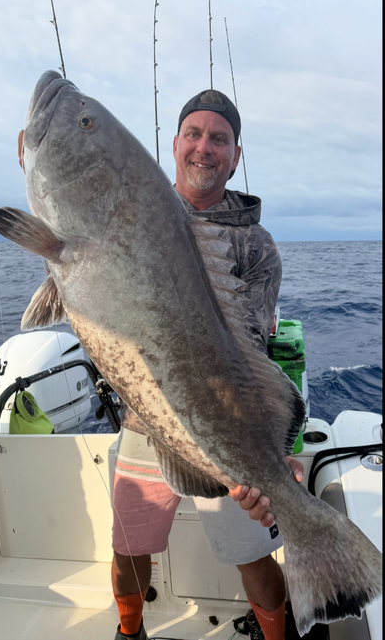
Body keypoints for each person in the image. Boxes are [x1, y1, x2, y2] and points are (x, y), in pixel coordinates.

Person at [106, 89, 303, 640]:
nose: (204, 147)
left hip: (227, 427)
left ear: (236, 155)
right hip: (143, 420)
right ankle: (129, 631)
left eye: (219, 138)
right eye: (193, 134)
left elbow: (252, 353)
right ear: (174, 145)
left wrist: (273, 451)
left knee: (254, 559)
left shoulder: (258, 248)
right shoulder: (131, 215)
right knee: (126, 548)